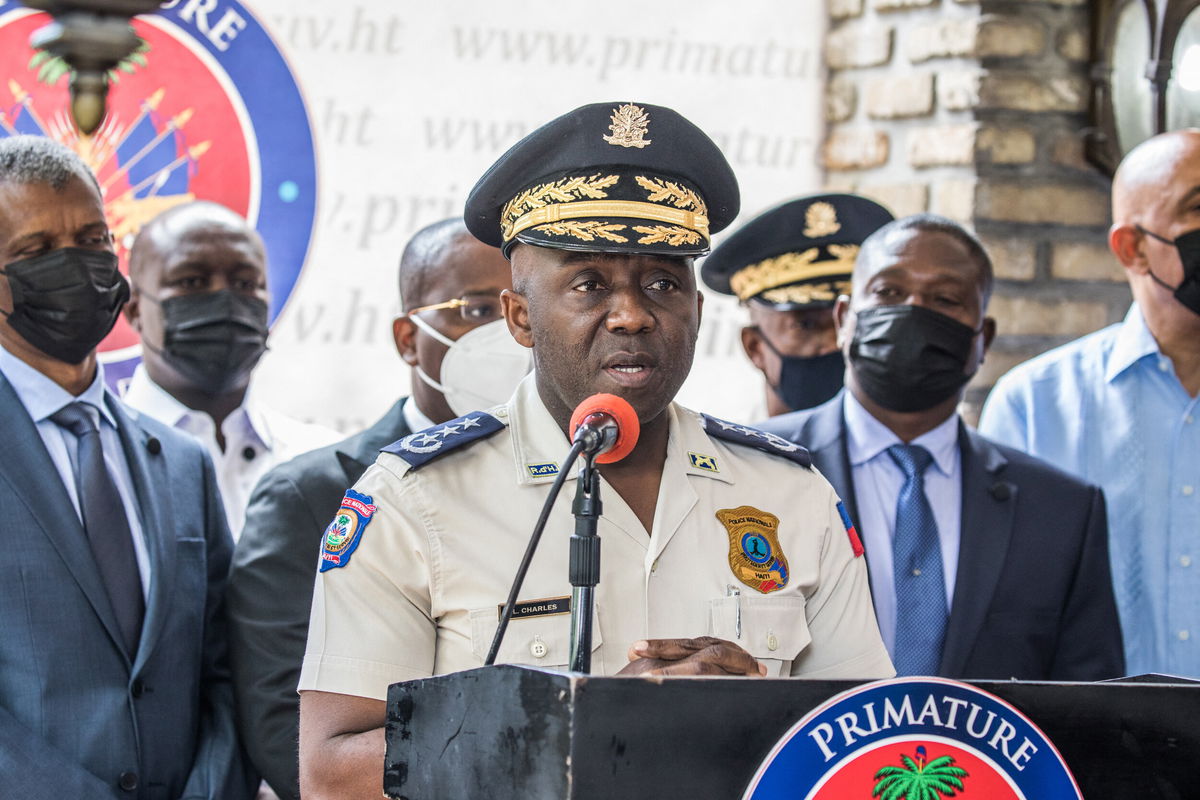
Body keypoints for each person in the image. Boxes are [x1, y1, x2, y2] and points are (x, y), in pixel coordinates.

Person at [297, 101, 893, 798]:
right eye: (588, 284)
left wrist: (756, 716)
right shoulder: (412, 497)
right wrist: (589, 724)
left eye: (664, 283)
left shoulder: (791, 494)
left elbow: (865, 750)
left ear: (697, 312)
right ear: (520, 316)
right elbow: (332, 774)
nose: (634, 312)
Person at [227, 217, 526, 800]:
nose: (505, 335)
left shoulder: (574, 479)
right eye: (475, 311)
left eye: (520, 313)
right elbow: (283, 733)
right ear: (408, 338)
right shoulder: (310, 496)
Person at [760, 214, 1125, 681]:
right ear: (844, 320)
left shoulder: (1062, 511)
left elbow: (1092, 708)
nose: (913, 311)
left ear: (982, 340)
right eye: (889, 292)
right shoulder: (756, 467)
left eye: (945, 299)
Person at [0, 137, 254, 796]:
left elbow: (226, 671)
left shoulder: (181, 462)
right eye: (34, 252)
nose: (76, 266)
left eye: (91, 239)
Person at [980, 130, 1200, 678]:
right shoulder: (1036, 404)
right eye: (1198, 207)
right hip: (1093, 747)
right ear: (1133, 247)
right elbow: (1006, 612)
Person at [121, 201, 339, 538]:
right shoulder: (99, 463)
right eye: (192, 281)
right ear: (134, 309)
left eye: (245, 284)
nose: (224, 301)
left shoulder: (326, 464)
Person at [701, 193, 893, 415]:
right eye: (806, 325)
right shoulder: (718, 449)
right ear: (755, 347)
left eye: (852, 321)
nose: (837, 342)